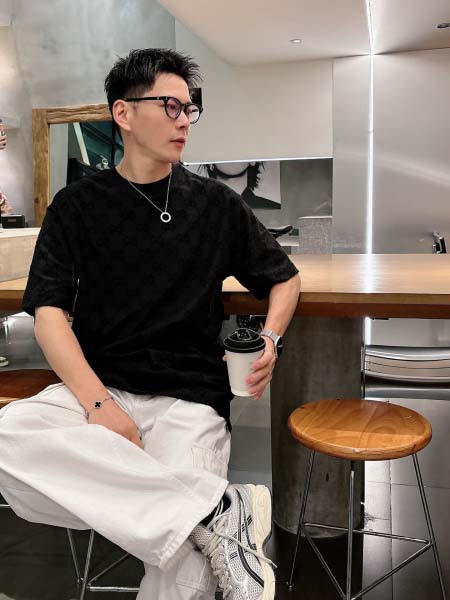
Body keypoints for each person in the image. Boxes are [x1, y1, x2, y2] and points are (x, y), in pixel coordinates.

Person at [0, 48, 300, 599]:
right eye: (170, 106)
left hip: (189, 397)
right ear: (123, 113)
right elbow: (47, 316)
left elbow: (284, 278)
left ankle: (189, 517)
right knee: (6, 439)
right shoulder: (76, 206)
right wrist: (99, 405)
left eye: (189, 109)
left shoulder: (215, 205)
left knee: (185, 572)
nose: (184, 120)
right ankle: (215, 512)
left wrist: (272, 337)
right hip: (97, 386)